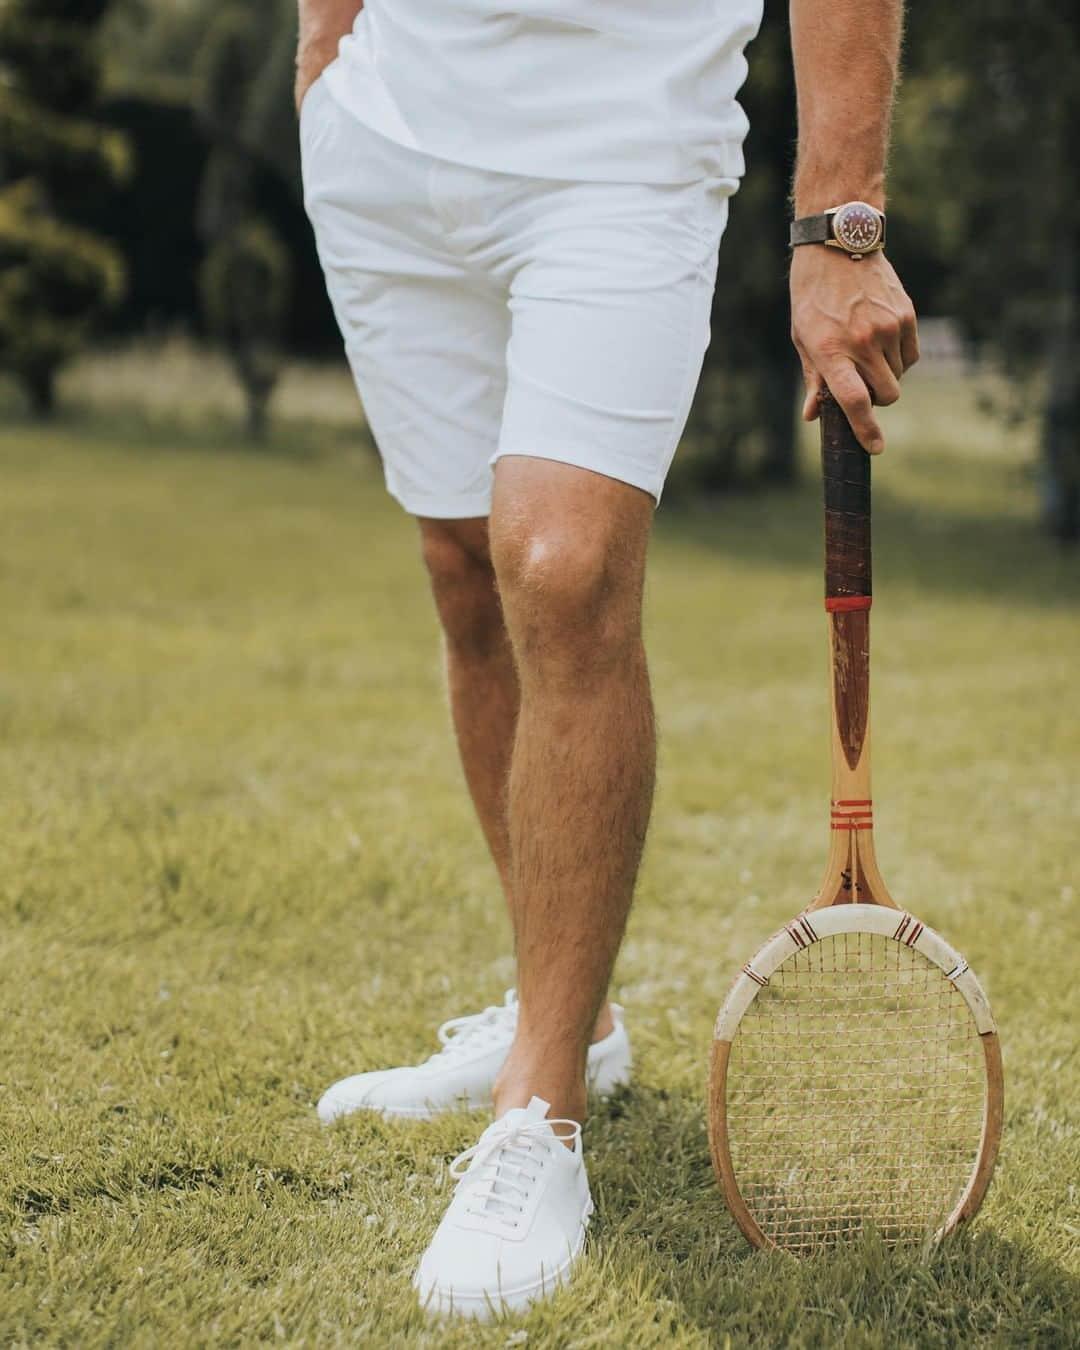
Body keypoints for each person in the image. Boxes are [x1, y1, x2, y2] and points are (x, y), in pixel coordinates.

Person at [296, 0, 918, 1319]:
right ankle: (563, 1019)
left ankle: (539, 1117)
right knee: (468, 578)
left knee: (561, 568)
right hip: (387, 134)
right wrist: (324, 64)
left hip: (623, 147)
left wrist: (839, 223)